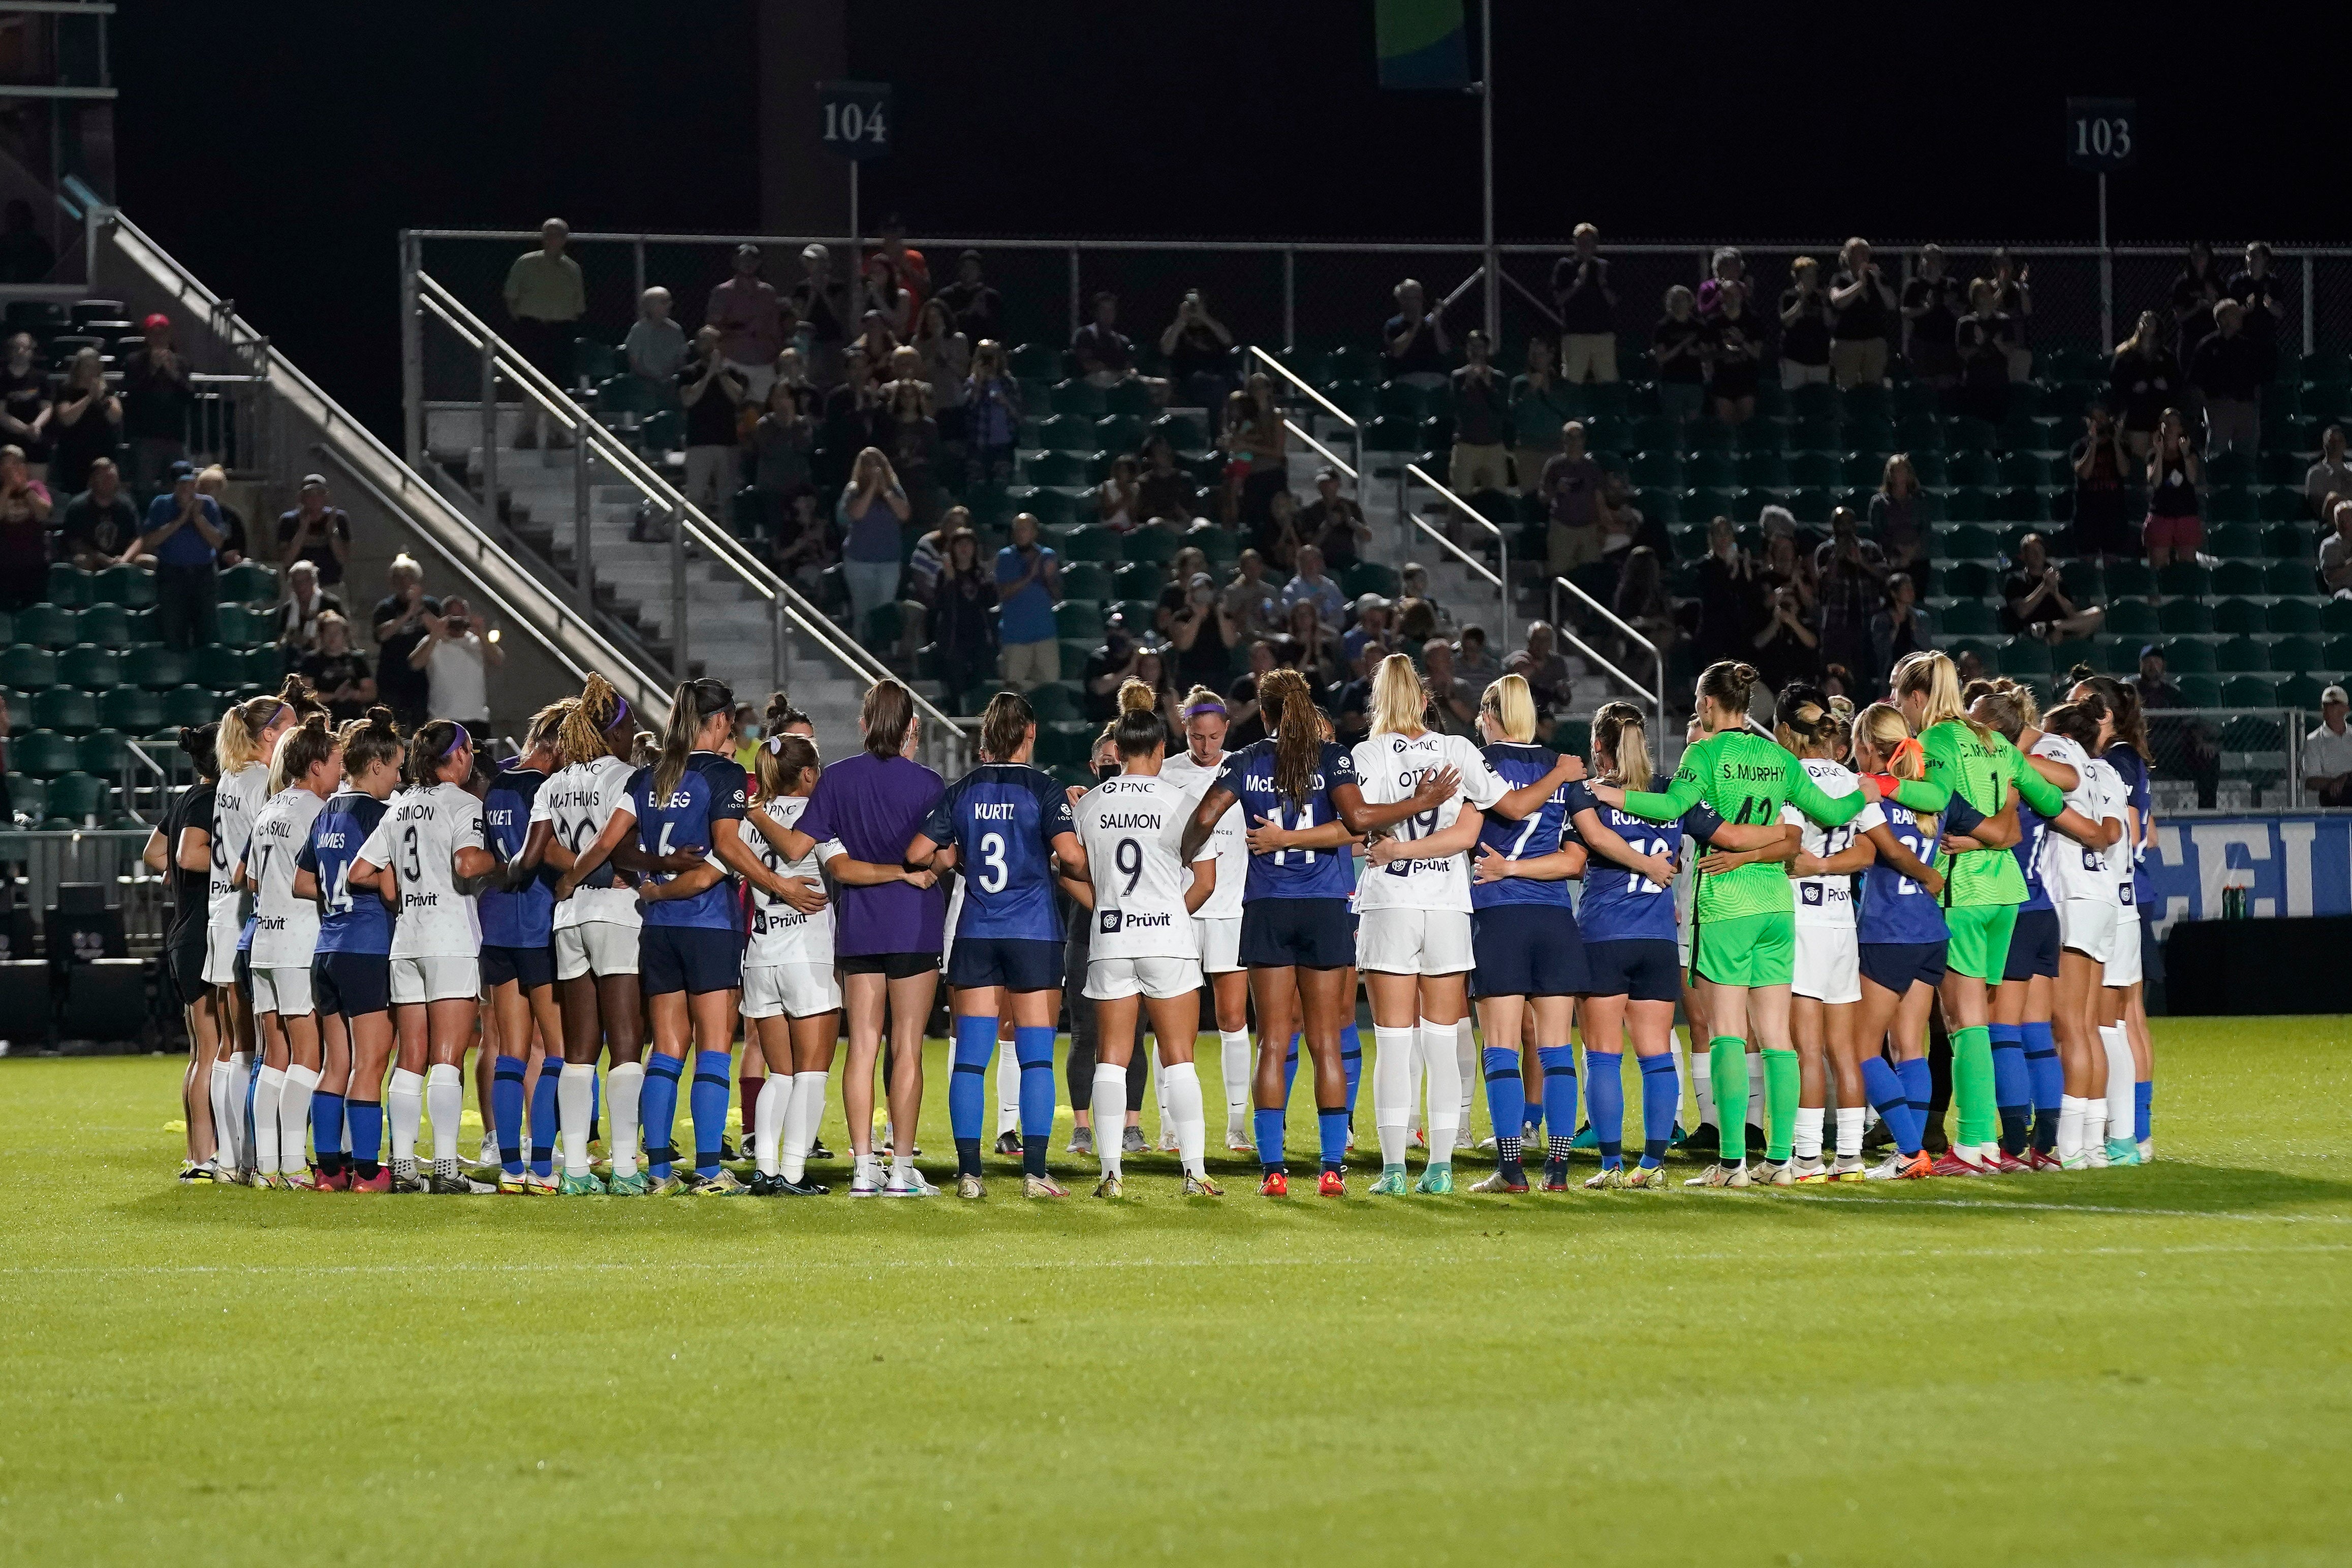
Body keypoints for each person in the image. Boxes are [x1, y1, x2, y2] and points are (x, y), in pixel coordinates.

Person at [1584, 660, 1879, 1187]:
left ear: (1706, 704)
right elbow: (1832, 815)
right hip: (1777, 905)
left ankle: (1732, 1163)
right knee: (1776, 1038)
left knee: (1726, 1035)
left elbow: (1674, 803)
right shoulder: (1776, 754)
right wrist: (1866, 793)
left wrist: (1610, 794)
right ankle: (1783, 1161)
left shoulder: (1705, 752)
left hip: (1726, 905)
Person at [1334, 655, 1530, 1196]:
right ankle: (1440, 1166)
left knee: (1394, 1043)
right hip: (1445, 902)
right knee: (1443, 1041)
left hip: (1390, 900)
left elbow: (1355, 822)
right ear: (1424, 699)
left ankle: (1394, 1169)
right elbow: (1503, 810)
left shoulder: (1367, 754)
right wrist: (1558, 774)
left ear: (1379, 702)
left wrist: (1394, 845)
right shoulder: (1457, 750)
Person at [1878, 649, 2073, 1174]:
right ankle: (1989, 1144)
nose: (1898, 705)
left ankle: (1973, 1145)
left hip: (1963, 894)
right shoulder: (1992, 739)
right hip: (2006, 892)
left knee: (1962, 1023)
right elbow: (2052, 800)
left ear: (1918, 697)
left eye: (1900, 695)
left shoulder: (1937, 739)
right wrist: (2009, 824)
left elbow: (1936, 795)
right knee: (1979, 1021)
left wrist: (1885, 784)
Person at [1178, 668, 1363, 1195]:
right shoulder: (1332, 757)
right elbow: (1356, 825)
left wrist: (1186, 855)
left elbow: (1206, 814)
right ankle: (1331, 1167)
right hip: (1325, 904)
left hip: (1268, 908)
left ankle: (1274, 1172)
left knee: (1273, 1039)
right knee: (1326, 1039)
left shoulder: (1247, 759)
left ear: (1262, 714)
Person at [763, 681, 948, 1195]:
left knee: (862, 1046)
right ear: (911, 725)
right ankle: (902, 1166)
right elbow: (942, 855)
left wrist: (753, 812)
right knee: (906, 1047)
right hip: (913, 924)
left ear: (864, 724)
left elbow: (800, 845)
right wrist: (923, 870)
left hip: (860, 925)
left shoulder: (837, 779)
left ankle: (864, 1166)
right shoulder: (929, 782)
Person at [901, 692, 1081, 1198]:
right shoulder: (1044, 789)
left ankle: (968, 1174)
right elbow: (1071, 857)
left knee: (971, 1060)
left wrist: (961, 853)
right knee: (1037, 1057)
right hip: (1033, 935)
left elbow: (919, 852)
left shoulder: (963, 789)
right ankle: (1035, 1173)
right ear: (1030, 731)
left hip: (977, 932)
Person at [1055, 682, 1222, 1196]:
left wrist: (1107, 906)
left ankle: (1111, 1173)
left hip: (1110, 939)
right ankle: (1194, 1172)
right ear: (1159, 749)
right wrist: (1171, 911)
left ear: (1119, 751)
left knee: (1110, 1053)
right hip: (1166, 937)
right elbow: (1206, 879)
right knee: (1179, 1056)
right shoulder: (1182, 800)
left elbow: (1067, 868)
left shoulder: (1090, 803)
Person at [348, 717, 498, 1193]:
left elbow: (359, 871)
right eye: (469, 749)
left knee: (410, 1057)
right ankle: (448, 1171)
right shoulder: (464, 802)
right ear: (455, 756)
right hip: (449, 938)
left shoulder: (398, 808)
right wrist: (510, 861)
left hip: (406, 941)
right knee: (448, 1059)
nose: (472, 756)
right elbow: (468, 863)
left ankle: (403, 1167)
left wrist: (405, 891)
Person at [532, 678, 652, 1192]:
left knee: (579, 1046)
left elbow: (541, 847)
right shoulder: (629, 776)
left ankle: (576, 1169)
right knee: (625, 1041)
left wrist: (574, 875)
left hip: (568, 918)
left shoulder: (553, 782)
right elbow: (627, 849)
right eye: (627, 727)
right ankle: (625, 1167)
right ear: (616, 729)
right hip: (617, 912)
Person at [1842, 701, 1956, 1181]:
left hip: (1888, 931)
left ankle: (1908, 1148)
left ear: (1868, 747)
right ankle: (1916, 1151)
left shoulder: (1871, 797)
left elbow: (1876, 852)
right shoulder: (1931, 796)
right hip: (1929, 931)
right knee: (1910, 1046)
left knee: (1860, 1046)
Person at [234, 715, 343, 1186]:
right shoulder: (318, 813)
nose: (341, 773)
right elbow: (318, 880)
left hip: (264, 942)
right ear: (316, 767)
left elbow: (252, 880)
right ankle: (295, 1165)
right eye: (338, 764)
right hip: (300, 943)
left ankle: (267, 1167)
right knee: (306, 1056)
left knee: (274, 1055)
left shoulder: (270, 809)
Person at [2028, 696, 2127, 1170]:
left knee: (2067, 1027)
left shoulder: (2057, 757)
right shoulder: (2104, 772)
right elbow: (2110, 833)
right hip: (2104, 896)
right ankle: (2090, 1142)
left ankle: (2069, 1145)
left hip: (2072, 894)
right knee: (2086, 1026)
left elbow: (2088, 829)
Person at [1158, 687, 1255, 1148]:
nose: (1206, 747)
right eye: (1198, 737)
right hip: (1179, 909)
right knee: (1175, 1021)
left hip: (1232, 908)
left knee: (1233, 1017)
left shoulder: (1243, 768)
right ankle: (1169, 1125)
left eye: (1214, 737)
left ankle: (1237, 1126)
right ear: (1185, 731)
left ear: (1226, 731)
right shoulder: (1165, 774)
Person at [149, 724, 223, 1179]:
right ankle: (204, 1157)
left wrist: (177, 880)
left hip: (184, 930)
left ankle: (199, 1153)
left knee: (201, 1051)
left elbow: (153, 853)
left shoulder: (186, 798)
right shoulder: (209, 800)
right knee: (213, 1049)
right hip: (199, 933)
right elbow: (184, 856)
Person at [501, 219, 585, 448]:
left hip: (561, 329)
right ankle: (526, 435)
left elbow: (578, 306)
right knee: (531, 381)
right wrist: (524, 321)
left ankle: (556, 434)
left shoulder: (572, 269)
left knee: (557, 384)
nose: (553, 239)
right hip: (533, 328)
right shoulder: (526, 263)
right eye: (548, 234)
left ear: (565, 239)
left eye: (558, 235)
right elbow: (511, 297)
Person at [140, 458, 220, 650]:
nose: (187, 488)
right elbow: (149, 542)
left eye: (190, 483)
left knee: (207, 633)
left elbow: (217, 542)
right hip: (172, 574)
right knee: (173, 632)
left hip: (204, 574)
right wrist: (181, 519)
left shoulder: (207, 505)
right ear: (173, 485)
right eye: (182, 483)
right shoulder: (160, 505)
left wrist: (197, 518)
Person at [837, 445, 913, 637]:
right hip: (859, 561)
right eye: (868, 465)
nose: (873, 469)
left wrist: (886, 491)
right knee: (862, 612)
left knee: (883, 612)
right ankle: (860, 653)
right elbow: (857, 513)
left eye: (877, 464)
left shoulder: (895, 489)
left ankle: (881, 656)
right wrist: (871, 488)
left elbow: (904, 514)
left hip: (889, 561)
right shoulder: (853, 490)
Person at [119, 313, 194, 498]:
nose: (159, 338)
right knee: (144, 489)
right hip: (145, 437)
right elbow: (132, 394)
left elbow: (189, 397)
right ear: (147, 336)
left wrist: (174, 374)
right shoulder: (134, 361)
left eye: (162, 333)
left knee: (177, 488)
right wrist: (152, 370)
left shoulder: (181, 363)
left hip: (174, 436)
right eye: (154, 333)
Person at [678, 326, 749, 512]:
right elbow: (688, 400)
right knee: (695, 496)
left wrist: (720, 372)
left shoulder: (732, 374)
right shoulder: (688, 373)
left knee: (729, 499)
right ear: (697, 345)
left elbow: (737, 398)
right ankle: (689, 539)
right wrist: (709, 374)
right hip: (699, 442)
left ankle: (727, 538)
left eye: (714, 341)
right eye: (705, 341)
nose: (709, 346)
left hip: (727, 443)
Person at [989, 508, 1061, 688]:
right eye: (1017, 529)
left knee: (1049, 687)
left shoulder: (1047, 555)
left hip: (1044, 635)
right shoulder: (1006, 557)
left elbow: (1057, 594)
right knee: (1013, 690)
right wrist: (1030, 576)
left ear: (1034, 532)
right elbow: (1004, 593)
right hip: (1015, 637)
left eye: (1025, 529)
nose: (1020, 534)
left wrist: (1049, 578)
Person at [407, 594, 502, 730]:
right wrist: (435, 635)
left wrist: (481, 633)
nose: (457, 620)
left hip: (476, 719)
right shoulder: (432, 642)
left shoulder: (477, 642)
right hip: (442, 719)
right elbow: (415, 664)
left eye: (461, 615)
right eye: (452, 616)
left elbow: (498, 660)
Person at [706, 243, 786, 402]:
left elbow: (775, 327)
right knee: (734, 408)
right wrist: (741, 329)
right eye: (744, 259)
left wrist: (777, 354)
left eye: (753, 260)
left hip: (764, 360)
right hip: (733, 359)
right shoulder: (723, 292)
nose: (748, 263)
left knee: (761, 407)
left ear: (759, 263)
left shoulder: (768, 292)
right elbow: (713, 328)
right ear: (735, 262)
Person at [2189, 299, 2261, 458]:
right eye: (2235, 315)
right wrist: (2209, 408)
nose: (2240, 317)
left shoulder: (2247, 346)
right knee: (2217, 452)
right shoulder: (2207, 346)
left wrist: (2254, 408)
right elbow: (2197, 383)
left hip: (2245, 407)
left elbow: (2256, 380)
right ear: (2223, 319)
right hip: (2220, 406)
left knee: (2246, 453)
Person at [1538, 419, 1608, 578]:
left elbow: (1600, 501)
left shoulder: (1593, 467)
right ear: (1564, 439)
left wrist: (1603, 528)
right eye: (1570, 437)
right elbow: (1542, 497)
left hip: (1590, 528)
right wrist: (1557, 490)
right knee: (1559, 573)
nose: (1575, 441)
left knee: (1591, 575)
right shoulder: (1554, 465)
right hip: (1562, 527)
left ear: (1584, 439)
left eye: (1579, 437)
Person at [2002, 533, 2103, 644]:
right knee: (2056, 636)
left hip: (2061, 626)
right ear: (2024, 556)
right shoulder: (2015, 580)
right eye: (2033, 551)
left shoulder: (2056, 579)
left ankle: (2052, 626)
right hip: (2033, 631)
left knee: (2097, 613)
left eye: (2040, 550)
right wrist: (2045, 588)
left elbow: (2072, 613)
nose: (2038, 555)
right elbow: (2022, 612)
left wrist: (2056, 593)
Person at [48, 345, 120, 497]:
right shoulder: (66, 389)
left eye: (96, 366)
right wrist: (89, 398)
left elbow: (116, 416)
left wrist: (101, 397)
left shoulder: (107, 390)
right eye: (88, 366)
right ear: (78, 368)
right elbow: (66, 418)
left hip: (102, 450)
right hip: (74, 452)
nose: (92, 370)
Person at [2107, 311, 2178, 462]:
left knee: (2157, 456)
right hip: (2136, 413)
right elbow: (2116, 382)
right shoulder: (2126, 354)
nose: (2146, 325)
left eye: (2151, 322)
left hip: (2158, 412)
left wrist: (2165, 386)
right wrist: (2132, 388)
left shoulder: (2166, 357)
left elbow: (2176, 382)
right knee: (2138, 457)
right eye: (2143, 321)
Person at [1551, 224, 1618, 383]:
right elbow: (1559, 300)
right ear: (1574, 243)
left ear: (1596, 244)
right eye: (1581, 240)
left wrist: (1602, 283)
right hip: (1575, 334)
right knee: (1572, 381)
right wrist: (1578, 282)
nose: (1585, 245)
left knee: (1608, 381)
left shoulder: (1604, 267)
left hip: (1602, 333)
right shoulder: (1565, 266)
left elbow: (1614, 301)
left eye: (1589, 241)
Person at [1828, 238, 1897, 390]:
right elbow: (1838, 301)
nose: (1865, 257)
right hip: (1847, 342)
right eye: (1860, 253)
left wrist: (1878, 281)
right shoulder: (1840, 279)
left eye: (1867, 253)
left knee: (1873, 388)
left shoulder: (1877, 279)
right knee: (1847, 387)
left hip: (1874, 340)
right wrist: (1860, 284)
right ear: (1849, 256)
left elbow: (1892, 304)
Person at [2070, 406, 2136, 560]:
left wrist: (2116, 442)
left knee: (2113, 563)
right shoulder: (2079, 447)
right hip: (2087, 516)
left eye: (2102, 418)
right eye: (2095, 419)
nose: (2099, 422)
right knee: (2087, 564)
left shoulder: (2122, 446)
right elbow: (2083, 473)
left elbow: (2125, 471)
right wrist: (2093, 443)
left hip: (2114, 516)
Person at [1450, 329, 1510, 492]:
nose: (1476, 351)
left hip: (1493, 445)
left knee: (1497, 496)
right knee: (1461, 494)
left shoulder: (1499, 378)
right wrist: (1467, 386)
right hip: (1467, 444)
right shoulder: (1458, 377)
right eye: (1472, 347)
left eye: (1480, 347)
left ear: (1486, 350)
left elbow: (1501, 407)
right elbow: (1457, 408)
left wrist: (1486, 384)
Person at [1159, 288, 1235, 414]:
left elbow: (1228, 340)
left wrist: (1204, 317)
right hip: (1187, 377)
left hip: (1216, 374)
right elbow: (1166, 350)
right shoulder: (1178, 329)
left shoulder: (1213, 326)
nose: (1193, 308)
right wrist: (1180, 321)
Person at [2144, 408, 2202, 570]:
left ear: (2181, 428)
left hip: (2186, 512)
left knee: (2187, 567)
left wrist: (2184, 454)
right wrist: (2160, 453)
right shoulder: (2153, 455)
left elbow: (2192, 479)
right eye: (2166, 423)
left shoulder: (2190, 453)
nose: (2170, 427)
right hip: (2161, 513)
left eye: (2174, 424)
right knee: (2158, 566)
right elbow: (2155, 482)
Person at [57, 453, 138, 569]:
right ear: (92, 480)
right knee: (82, 561)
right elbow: (73, 541)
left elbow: (137, 539)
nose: (108, 482)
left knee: (147, 561)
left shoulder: (127, 505)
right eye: (104, 478)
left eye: (112, 478)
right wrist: (98, 557)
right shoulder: (78, 506)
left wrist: (125, 559)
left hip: (121, 559)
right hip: (91, 557)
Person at [274, 473, 353, 588]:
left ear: (327, 497)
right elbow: (286, 560)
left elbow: (343, 559)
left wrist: (331, 532)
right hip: (298, 587)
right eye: (309, 495)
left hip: (331, 584)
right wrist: (302, 531)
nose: (315, 499)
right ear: (301, 498)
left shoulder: (339, 519)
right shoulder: (289, 520)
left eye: (320, 494)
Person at [1900, 244, 1964, 386]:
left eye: (1935, 258)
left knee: (1947, 385)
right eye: (1927, 258)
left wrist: (1949, 305)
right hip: (1922, 343)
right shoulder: (1914, 285)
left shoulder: (1951, 285)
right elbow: (1905, 312)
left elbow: (1963, 312)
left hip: (1947, 344)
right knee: (1923, 386)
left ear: (1942, 262)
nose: (1931, 262)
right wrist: (1926, 308)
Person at [1953, 279, 2014, 425]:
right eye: (1982, 293)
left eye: (1989, 293)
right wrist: (1979, 344)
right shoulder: (1965, 323)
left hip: (1998, 383)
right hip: (1975, 384)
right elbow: (1962, 353)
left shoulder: (2004, 321)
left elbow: (2010, 352)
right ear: (1974, 297)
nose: (1987, 296)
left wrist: (1998, 344)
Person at [297, 611, 373, 722]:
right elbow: (306, 694)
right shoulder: (311, 660)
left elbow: (371, 692)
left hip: (354, 718)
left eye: (337, 633)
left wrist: (353, 694)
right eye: (328, 633)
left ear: (345, 635)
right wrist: (334, 696)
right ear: (321, 635)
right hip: (322, 719)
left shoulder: (357, 659)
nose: (333, 638)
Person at [1707, 280, 1763, 424]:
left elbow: (1757, 353)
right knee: (1726, 425)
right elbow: (1708, 355)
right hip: (1722, 380)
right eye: (1727, 294)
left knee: (1746, 424)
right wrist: (1722, 353)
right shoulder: (1714, 322)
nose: (1731, 298)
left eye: (1735, 294)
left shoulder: (1752, 320)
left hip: (1746, 380)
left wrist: (1742, 340)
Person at [1650, 285, 1707, 422]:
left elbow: (1707, 354)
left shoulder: (1698, 326)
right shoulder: (1663, 327)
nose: (1679, 303)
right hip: (1672, 382)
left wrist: (1697, 353)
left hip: (1695, 381)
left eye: (1682, 300)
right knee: (1673, 423)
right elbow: (1661, 358)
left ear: (1690, 302)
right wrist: (1682, 345)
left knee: (1693, 423)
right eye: (1675, 300)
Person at [624, 286, 689, 402]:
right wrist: (654, 379)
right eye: (664, 302)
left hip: (672, 384)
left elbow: (681, 360)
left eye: (669, 301)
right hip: (644, 386)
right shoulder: (638, 331)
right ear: (650, 306)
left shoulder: (676, 330)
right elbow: (634, 362)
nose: (669, 305)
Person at [1383, 278, 1451, 389]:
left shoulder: (1429, 324)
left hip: (1433, 376)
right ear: (1402, 300)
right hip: (1406, 378)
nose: (1419, 302)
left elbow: (1444, 350)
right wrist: (1416, 325)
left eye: (1420, 297)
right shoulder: (1393, 325)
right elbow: (1397, 352)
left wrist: (1437, 323)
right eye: (1414, 298)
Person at [1866, 572, 1933, 678]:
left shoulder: (1922, 617)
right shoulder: (1881, 619)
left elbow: (1926, 648)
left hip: (1914, 673)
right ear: (1894, 593)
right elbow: (1880, 651)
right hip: (1891, 673)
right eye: (1906, 589)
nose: (1911, 593)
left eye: (1912, 589)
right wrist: (1894, 630)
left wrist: (1914, 629)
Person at [1779, 257, 1833, 389]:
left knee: (1819, 401)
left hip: (1819, 359)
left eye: (1814, 275)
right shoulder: (1789, 296)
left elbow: (1829, 322)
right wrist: (1802, 299)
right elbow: (1787, 322)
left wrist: (1826, 302)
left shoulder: (1820, 298)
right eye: (1808, 276)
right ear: (1798, 277)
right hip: (1794, 359)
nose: (1812, 279)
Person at [0, 330, 48, 474]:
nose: (21, 352)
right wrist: (26, 429)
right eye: (17, 348)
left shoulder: (40, 376)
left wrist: (36, 426)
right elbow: (1, 413)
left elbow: (47, 407)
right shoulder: (2, 377)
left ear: (31, 351)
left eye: (25, 348)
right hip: (9, 438)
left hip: (35, 437)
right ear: (10, 350)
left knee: (36, 487)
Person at [273, 559, 343, 658]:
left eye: (305, 581)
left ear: (314, 582)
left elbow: (340, 634)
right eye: (296, 582)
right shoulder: (287, 609)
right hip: (293, 657)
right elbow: (281, 638)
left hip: (323, 657)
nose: (301, 586)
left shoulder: (330, 604)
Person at [2305, 686, 2352, 807]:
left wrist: (2346, 778)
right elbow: (2311, 780)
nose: (2329, 708)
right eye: (2326, 704)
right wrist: (2337, 783)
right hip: (2334, 796)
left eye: (2335, 704)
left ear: (2346, 709)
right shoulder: (2314, 740)